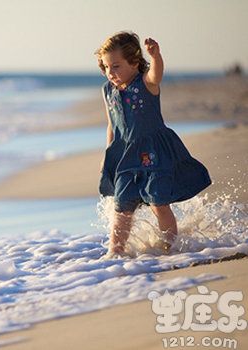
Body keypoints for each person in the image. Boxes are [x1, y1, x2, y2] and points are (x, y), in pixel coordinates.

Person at [95, 31, 211, 257]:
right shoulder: (107, 91)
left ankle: (171, 247)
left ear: (135, 62)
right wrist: (109, 153)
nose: (111, 72)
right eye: (106, 67)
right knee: (122, 207)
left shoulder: (146, 83)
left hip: (153, 154)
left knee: (159, 202)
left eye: (116, 66)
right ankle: (114, 252)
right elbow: (112, 124)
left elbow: (156, 75)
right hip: (125, 156)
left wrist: (156, 56)